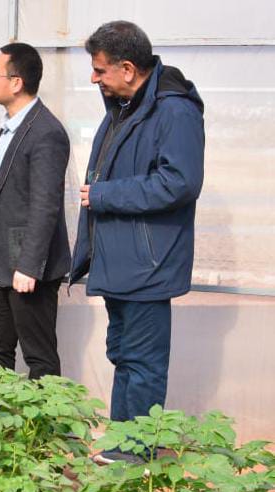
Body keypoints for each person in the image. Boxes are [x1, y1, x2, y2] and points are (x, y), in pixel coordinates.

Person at [70, 22, 205, 464]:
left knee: (143, 363)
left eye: (100, 70)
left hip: (148, 263)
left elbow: (179, 182)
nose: (94, 78)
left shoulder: (173, 111)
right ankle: (122, 444)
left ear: (128, 69)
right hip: (122, 259)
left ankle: (135, 451)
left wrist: (105, 195)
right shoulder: (126, 107)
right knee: (124, 355)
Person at [0, 43, 71, 380]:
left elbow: (45, 205)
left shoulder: (46, 132)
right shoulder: (10, 126)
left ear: (16, 82)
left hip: (27, 267)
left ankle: (44, 416)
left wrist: (29, 265)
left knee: (38, 355)